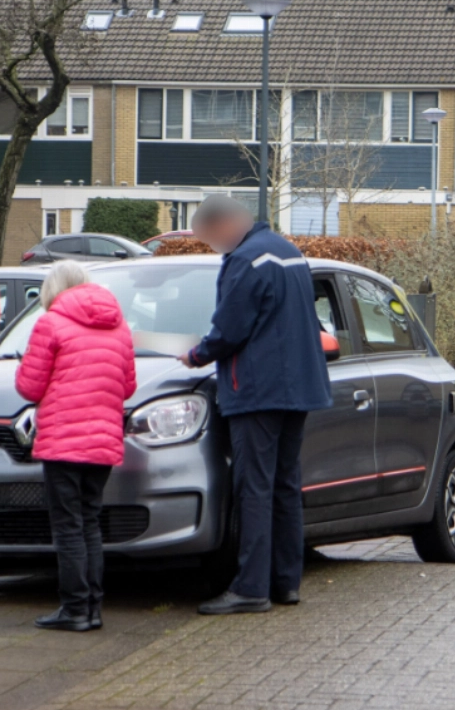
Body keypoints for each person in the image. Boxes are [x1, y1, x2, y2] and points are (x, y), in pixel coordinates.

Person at [178, 196, 332, 615]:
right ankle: (285, 582)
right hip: (298, 387)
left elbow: (230, 328)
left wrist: (195, 355)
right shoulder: (288, 252)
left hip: (258, 389)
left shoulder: (246, 260)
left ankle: (250, 588)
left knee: (255, 487)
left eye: (211, 238)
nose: (214, 246)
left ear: (226, 224)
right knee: (284, 484)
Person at [15, 262, 137, 632]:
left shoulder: (50, 323)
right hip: (102, 441)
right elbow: (127, 386)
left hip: (63, 441)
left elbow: (29, 388)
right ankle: (93, 608)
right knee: (89, 523)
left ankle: (73, 609)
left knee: (67, 526)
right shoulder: (119, 326)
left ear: (54, 289)